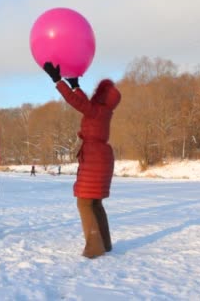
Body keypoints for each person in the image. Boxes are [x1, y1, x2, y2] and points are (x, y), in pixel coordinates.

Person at [43, 62, 122, 259]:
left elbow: (78, 104)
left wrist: (57, 80)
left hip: (94, 157)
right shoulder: (103, 111)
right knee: (95, 203)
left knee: (85, 203)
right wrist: (75, 86)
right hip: (102, 157)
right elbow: (85, 103)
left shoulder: (96, 111)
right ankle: (105, 243)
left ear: (102, 95)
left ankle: (95, 247)